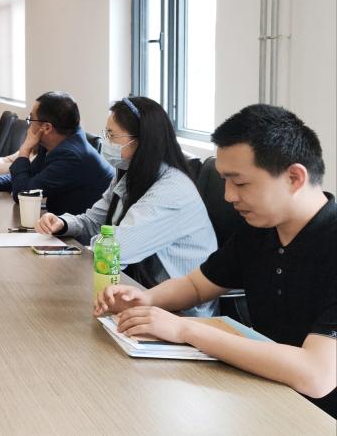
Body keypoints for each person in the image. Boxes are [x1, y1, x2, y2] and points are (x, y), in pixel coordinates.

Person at [95, 105, 336, 417]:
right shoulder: (260, 229)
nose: (228, 196)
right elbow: (197, 285)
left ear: (294, 178)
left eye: (240, 183)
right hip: (266, 391)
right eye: (225, 181)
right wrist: (146, 300)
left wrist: (186, 330)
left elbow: (316, 375)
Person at [33, 97, 216, 314]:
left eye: (112, 135)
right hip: (137, 292)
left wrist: (91, 245)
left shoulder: (171, 190)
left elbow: (115, 250)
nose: (107, 142)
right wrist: (63, 223)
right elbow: (95, 222)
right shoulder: (130, 175)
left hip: (178, 312)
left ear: (141, 141)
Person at [0, 92, 113, 214]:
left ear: (47, 127)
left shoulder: (71, 156)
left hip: (81, 239)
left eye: (31, 119)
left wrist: (24, 151)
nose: (28, 125)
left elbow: (24, 194)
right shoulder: (56, 143)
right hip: (58, 223)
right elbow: (29, 178)